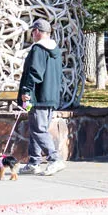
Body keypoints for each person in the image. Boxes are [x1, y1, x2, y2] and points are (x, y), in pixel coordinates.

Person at [17, 18, 64, 176]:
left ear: (37, 31)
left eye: (33, 31)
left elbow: (35, 72)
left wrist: (26, 91)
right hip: (51, 96)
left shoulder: (38, 49)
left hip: (37, 95)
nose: (32, 34)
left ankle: (55, 158)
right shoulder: (55, 50)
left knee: (38, 129)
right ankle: (34, 162)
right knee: (36, 128)